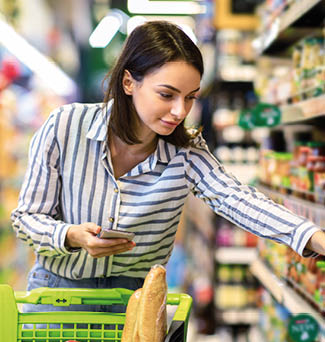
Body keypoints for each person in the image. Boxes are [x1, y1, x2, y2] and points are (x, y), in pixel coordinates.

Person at [11, 20, 325, 312]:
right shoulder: (66, 126)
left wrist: (310, 235)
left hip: (137, 306)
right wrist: (70, 235)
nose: (179, 111)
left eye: (190, 97)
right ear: (129, 82)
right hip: (57, 299)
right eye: (167, 94)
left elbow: (237, 199)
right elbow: (26, 218)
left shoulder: (185, 151)